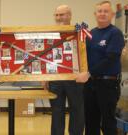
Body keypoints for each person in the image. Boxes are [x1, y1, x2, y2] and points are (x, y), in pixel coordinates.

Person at [76, 1, 125, 135]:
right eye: (100, 11)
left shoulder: (115, 33)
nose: (102, 14)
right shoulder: (90, 33)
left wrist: (89, 72)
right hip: (90, 84)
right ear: (95, 14)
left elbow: (111, 58)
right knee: (90, 121)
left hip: (108, 84)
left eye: (106, 11)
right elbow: (82, 56)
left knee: (108, 123)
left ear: (112, 14)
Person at [48, 5, 84, 135]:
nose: (58, 18)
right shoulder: (50, 33)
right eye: (56, 15)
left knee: (77, 110)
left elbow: (84, 54)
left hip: (74, 78)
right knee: (56, 112)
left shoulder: (79, 32)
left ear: (69, 15)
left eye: (61, 14)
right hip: (55, 78)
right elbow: (45, 56)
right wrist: (44, 78)